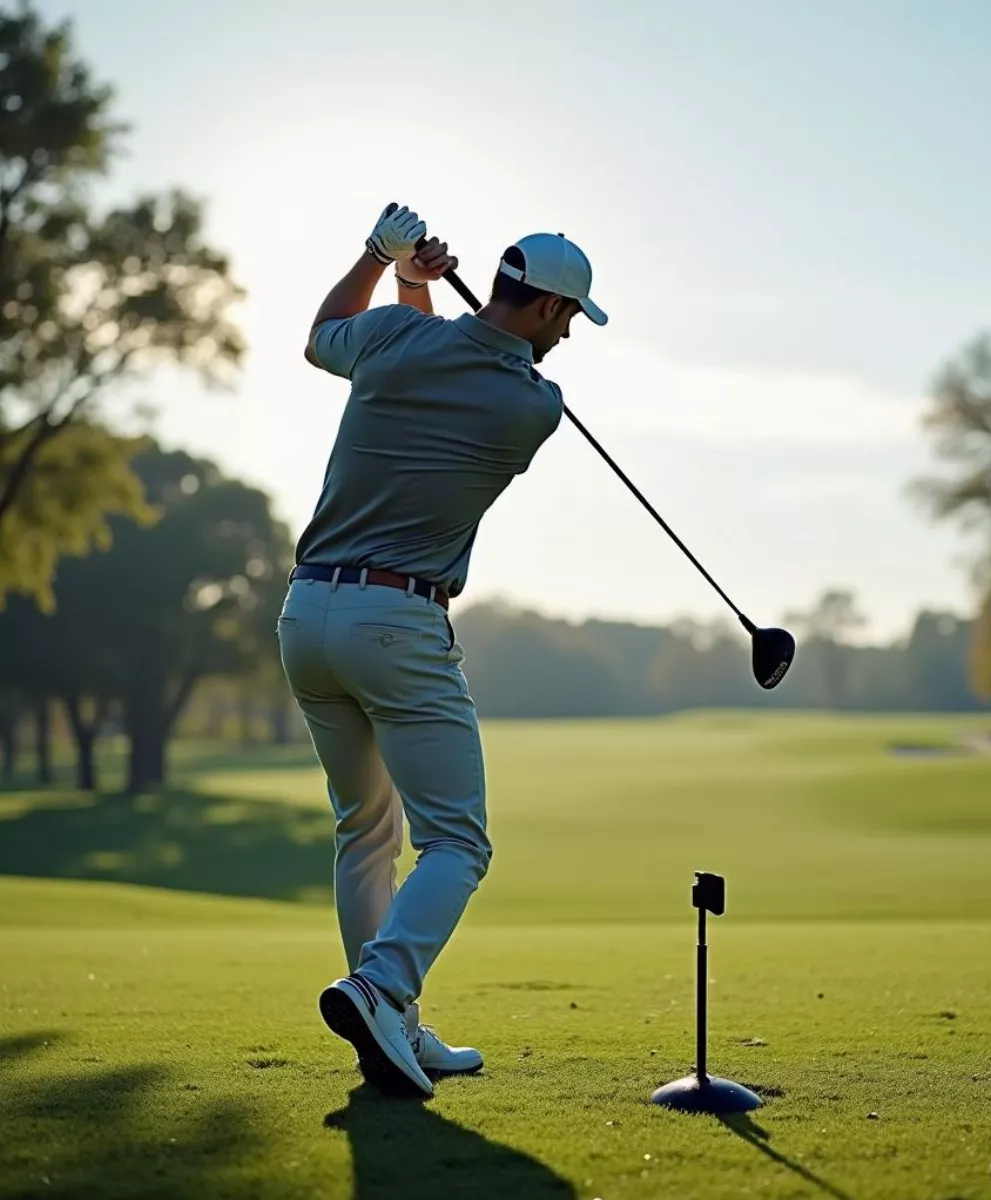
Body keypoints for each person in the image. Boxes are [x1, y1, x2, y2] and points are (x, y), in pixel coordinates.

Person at [277, 203, 606, 1097]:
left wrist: (387, 265)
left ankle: (394, 1030)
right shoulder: (534, 405)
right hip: (399, 624)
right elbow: (461, 373)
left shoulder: (391, 342)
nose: (569, 336)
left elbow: (324, 337)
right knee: (456, 840)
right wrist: (420, 286)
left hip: (307, 615)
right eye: (570, 318)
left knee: (364, 833)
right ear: (543, 310)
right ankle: (381, 987)